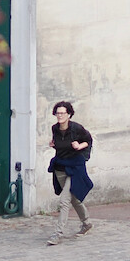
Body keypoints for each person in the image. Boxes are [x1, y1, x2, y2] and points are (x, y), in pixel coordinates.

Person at [46, 100, 94, 245]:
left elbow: (88, 140)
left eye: (62, 113)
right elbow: (59, 144)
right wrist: (53, 144)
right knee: (74, 199)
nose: (60, 116)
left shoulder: (76, 128)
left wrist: (79, 146)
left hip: (75, 168)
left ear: (69, 114)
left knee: (64, 200)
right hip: (60, 167)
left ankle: (58, 234)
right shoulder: (55, 128)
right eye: (57, 113)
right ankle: (87, 223)